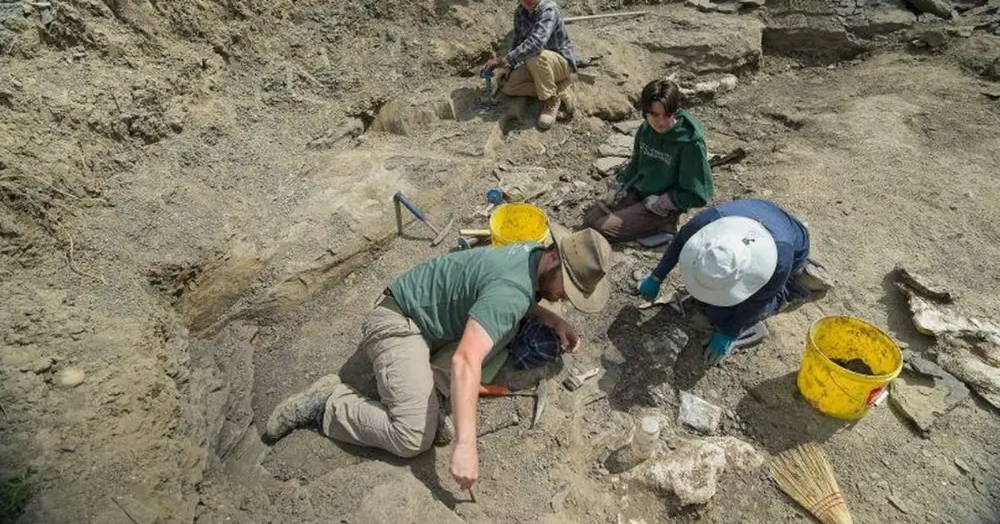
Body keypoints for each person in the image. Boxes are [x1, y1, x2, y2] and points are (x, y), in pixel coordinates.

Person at [264, 225, 612, 493]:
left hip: (430, 319)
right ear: (554, 258)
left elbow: (504, 299)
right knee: (412, 437)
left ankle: (433, 397)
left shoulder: (531, 256)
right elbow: (466, 361)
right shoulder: (514, 289)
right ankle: (327, 403)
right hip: (398, 321)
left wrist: (553, 319)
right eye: (567, 286)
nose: (564, 295)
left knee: (508, 327)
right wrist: (466, 446)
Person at [636, 199, 831, 365]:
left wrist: (730, 332)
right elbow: (680, 240)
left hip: (792, 244)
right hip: (759, 210)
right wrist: (656, 276)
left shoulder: (777, 262)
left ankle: (797, 285)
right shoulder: (705, 224)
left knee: (719, 316)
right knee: (711, 306)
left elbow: (759, 300)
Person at [586, 78, 714, 243]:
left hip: (663, 206)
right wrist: (619, 185)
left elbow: (699, 194)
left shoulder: (690, 143)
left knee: (601, 230)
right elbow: (636, 164)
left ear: (675, 111)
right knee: (589, 220)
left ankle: (666, 224)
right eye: (654, 114)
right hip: (641, 192)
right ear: (645, 112)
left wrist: (667, 202)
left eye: (667, 115)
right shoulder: (646, 129)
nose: (660, 122)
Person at [484, 0, 578, 130]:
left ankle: (550, 101)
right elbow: (518, 40)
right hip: (538, 65)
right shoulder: (520, 13)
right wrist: (508, 67)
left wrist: (504, 59)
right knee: (507, 85)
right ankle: (560, 89)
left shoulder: (548, 9)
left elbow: (536, 43)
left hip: (560, 63)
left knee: (535, 54)